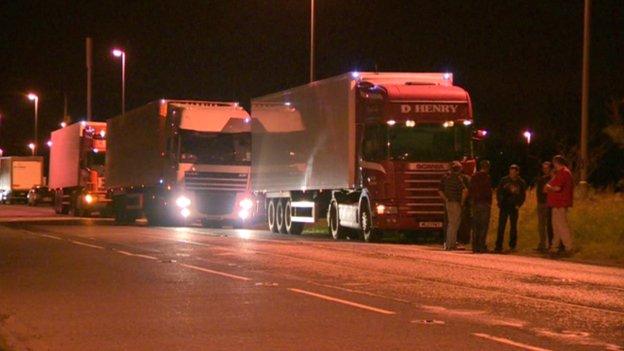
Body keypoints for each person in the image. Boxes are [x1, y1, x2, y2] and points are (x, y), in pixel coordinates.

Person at [545, 155, 574, 255]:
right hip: (556, 203)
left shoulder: (564, 173)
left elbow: (557, 188)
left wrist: (549, 188)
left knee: (562, 226)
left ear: (556, 163)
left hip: (560, 203)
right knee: (556, 227)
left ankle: (569, 247)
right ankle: (554, 247)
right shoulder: (560, 173)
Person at [495, 164, 527, 252]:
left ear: (517, 172)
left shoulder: (521, 182)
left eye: (514, 172)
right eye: (510, 171)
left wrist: (519, 204)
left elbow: (523, 195)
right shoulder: (504, 180)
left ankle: (512, 245)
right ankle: (498, 245)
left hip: (514, 206)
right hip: (504, 205)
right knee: (501, 226)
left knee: (513, 226)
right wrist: (499, 202)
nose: (512, 173)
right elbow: (499, 192)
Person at [439, 161, 468, 251]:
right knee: (455, 224)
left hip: (449, 203)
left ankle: (449, 243)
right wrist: (462, 202)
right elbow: (465, 190)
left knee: (451, 223)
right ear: (459, 169)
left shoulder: (446, 178)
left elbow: (440, 191)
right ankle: (451, 245)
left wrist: (446, 199)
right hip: (456, 203)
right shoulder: (457, 178)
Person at [469, 160, 492, 253]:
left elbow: (470, 189)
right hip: (484, 204)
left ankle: (475, 246)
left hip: (475, 203)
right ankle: (481, 246)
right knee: (483, 226)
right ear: (487, 167)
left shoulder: (474, 176)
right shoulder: (487, 177)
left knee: (476, 226)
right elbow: (488, 191)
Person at [534, 161, 554, 252]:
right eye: (544, 168)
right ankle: (542, 244)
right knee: (541, 225)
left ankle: (550, 244)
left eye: (547, 168)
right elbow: (538, 191)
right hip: (540, 203)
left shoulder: (552, 179)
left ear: (550, 169)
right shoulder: (541, 179)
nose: (545, 170)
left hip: (548, 203)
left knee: (549, 224)